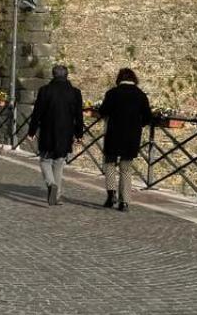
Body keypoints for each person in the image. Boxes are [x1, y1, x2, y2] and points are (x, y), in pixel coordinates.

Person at [26, 64, 86, 206]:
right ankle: (57, 195)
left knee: (45, 160)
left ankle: (51, 183)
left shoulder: (45, 91)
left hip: (48, 130)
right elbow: (79, 115)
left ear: (53, 75)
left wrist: (31, 131)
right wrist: (79, 134)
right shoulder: (75, 92)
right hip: (66, 132)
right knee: (59, 162)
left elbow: (37, 113)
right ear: (67, 75)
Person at [98, 67, 152, 210]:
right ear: (134, 79)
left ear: (119, 79)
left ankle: (111, 195)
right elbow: (148, 117)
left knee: (109, 164)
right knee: (126, 169)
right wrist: (137, 125)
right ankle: (125, 202)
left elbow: (103, 111)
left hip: (114, 134)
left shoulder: (112, 93)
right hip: (131, 137)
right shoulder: (141, 95)